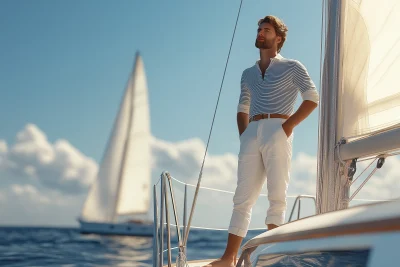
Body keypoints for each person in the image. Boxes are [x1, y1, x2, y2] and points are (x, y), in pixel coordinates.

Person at [206, 15, 319, 267]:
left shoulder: (292, 66)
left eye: (266, 30)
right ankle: (228, 258)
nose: (260, 32)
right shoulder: (248, 73)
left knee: (276, 195)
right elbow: (242, 107)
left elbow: (312, 97)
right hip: (252, 131)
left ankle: (272, 257)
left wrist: (286, 127)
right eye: (259, 29)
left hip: (278, 126)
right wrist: (245, 135)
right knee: (242, 197)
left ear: (278, 38)